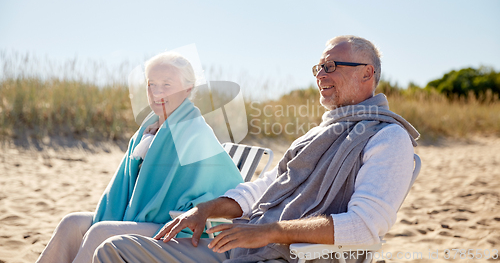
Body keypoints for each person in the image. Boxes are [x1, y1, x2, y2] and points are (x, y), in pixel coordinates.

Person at [92, 35, 420, 263]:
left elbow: (363, 227)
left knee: (114, 250)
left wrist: (268, 233)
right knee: (112, 248)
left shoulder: (387, 139)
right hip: (242, 241)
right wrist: (206, 209)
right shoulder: (318, 134)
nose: (320, 74)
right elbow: (262, 188)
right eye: (318, 67)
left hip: (287, 253)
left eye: (331, 65)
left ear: (367, 73)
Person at [36, 52, 243, 263]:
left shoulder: (193, 130)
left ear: (187, 89)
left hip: (172, 226)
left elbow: (218, 183)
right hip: (137, 216)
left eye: (167, 85)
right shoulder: (149, 128)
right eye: (151, 84)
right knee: (70, 223)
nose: (156, 92)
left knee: (100, 232)